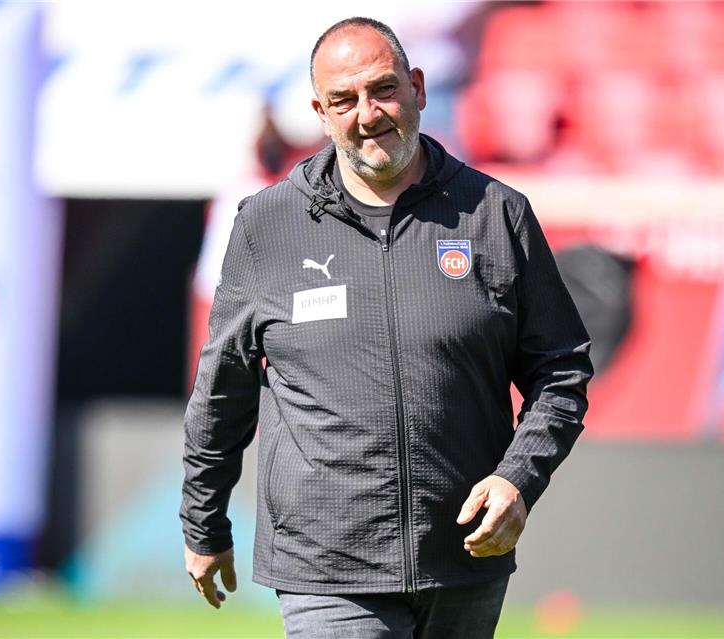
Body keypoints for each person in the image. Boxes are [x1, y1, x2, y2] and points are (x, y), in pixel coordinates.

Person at [181, 17, 593, 638]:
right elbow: (223, 387)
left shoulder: (496, 215)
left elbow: (560, 371)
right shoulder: (267, 226)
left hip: (464, 557)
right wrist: (204, 522)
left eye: (383, 90)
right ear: (321, 114)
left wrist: (517, 480)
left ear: (418, 88)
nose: (367, 114)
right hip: (325, 567)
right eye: (344, 100)